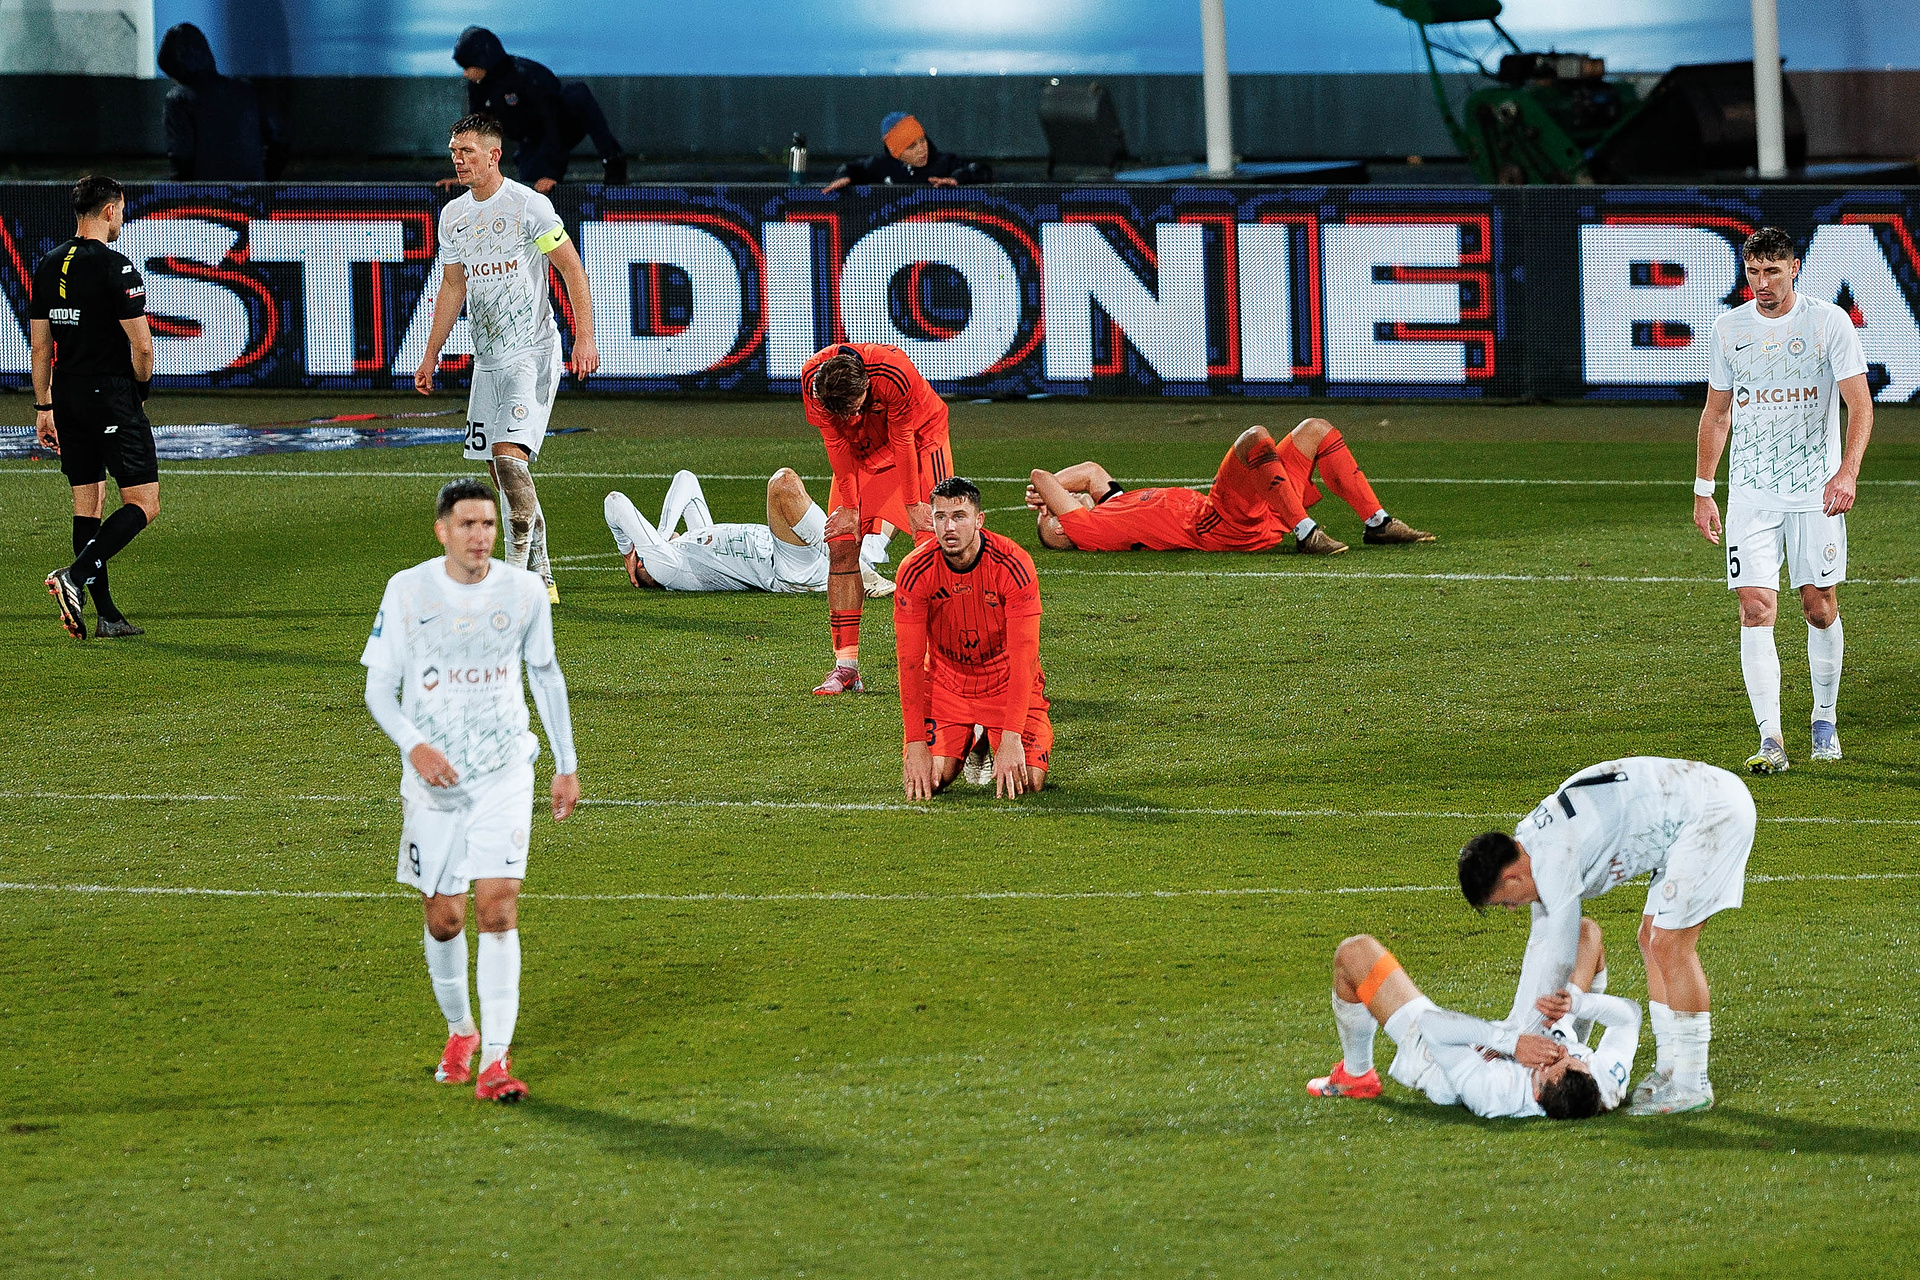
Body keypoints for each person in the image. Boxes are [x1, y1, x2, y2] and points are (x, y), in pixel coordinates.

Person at [362, 478, 580, 1104]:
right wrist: (415, 745)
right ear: (443, 531)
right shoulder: (408, 591)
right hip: (435, 781)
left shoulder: (524, 591)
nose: (481, 536)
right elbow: (378, 689)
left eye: (488, 524)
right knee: (445, 917)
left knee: (498, 908)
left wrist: (566, 763)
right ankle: (461, 1031)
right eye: (468, 525)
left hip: (505, 769)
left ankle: (495, 1062)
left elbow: (545, 674)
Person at [1458, 756, 1756, 1116]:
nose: (1511, 908)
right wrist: (1516, 1030)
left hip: (1710, 816)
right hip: (1688, 811)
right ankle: (1669, 1070)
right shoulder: (1532, 843)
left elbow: (1561, 956)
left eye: (1505, 901)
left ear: (1511, 878)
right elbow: (1541, 942)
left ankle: (1693, 1084)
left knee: (1671, 945)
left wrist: (1522, 1037)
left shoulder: (1554, 859)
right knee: (1651, 939)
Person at [1693, 226, 1873, 774]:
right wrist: (1704, 489)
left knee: (1819, 607)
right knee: (1754, 609)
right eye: (1753, 272)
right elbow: (1717, 413)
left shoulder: (1828, 322)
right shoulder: (1729, 328)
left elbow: (1860, 405)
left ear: (1795, 268)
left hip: (1816, 493)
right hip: (1751, 494)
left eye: (1772, 271)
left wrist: (1847, 473)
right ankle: (1770, 738)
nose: (1762, 283)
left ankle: (1824, 719)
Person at [415, 113, 599, 605]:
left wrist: (584, 338)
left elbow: (571, 268)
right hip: (488, 359)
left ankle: (514, 584)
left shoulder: (528, 206)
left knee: (507, 459)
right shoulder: (453, 216)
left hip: (531, 352)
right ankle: (543, 577)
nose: (458, 159)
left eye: (467, 151)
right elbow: (453, 286)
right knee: (503, 475)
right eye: (454, 152)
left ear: (494, 155)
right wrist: (430, 355)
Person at [1306, 923, 1638, 1120]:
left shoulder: (1494, 1093)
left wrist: (1511, 1044)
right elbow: (1629, 1017)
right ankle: (1571, 1024)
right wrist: (1575, 1003)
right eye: (1572, 1060)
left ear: (1537, 1091)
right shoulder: (1604, 1083)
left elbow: (1435, 1027)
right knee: (1585, 933)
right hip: (1515, 1033)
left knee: (1354, 953)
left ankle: (1357, 1076)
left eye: (1550, 1064)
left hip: (1438, 1053)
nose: (1559, 1052)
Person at [34, 175, 158, 640]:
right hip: (110, 395)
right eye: (121, 209)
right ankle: (74, 574)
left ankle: (107, 615)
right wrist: (140, 391)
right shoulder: (116, 266)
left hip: (66, 395)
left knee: (88, 503)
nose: (122, 217)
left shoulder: (48, 263)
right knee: (144, 503)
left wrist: (44, 406)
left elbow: (41, 347)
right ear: (109, 210)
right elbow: (142, 347)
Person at [1028, 419, 1432, 556]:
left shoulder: (1111, 507)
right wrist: (1042, 494)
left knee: (1316, 430)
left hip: (1252, 510)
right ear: (1062, 527)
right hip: (1219, 522)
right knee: (1252, 438)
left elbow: (1092, 471)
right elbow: (1039, 476)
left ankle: (1377, 523)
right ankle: (1306, 532)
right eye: (1051, 513)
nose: (1057, 503)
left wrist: (1048, 494)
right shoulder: (1090, 531)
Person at [801, 342, 955, 695]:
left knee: (933, 545)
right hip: (861, 448)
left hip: (921, 440)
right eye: (844, 414)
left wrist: (913, 504)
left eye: (855, 408)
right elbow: (835, 442)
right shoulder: (813, 381)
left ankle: (939, 666)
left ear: (867, 385)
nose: (851, 417)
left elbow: (903, 438)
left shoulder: (893, 371)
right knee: (840, 544)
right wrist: (850, 508)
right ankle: (846, 668)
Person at [894, 477, 1050, 800]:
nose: (949, 527)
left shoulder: (1014, 564)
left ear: (979, 520)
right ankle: (974, 738)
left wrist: (1011, 737)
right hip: (947, 687)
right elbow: (909, 663)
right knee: (930, 780)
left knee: (1028, 782)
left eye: (959, 516)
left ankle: (989, 736)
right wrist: (915, 742)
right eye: (940, 517)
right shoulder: (914, 571)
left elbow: (1025, 659)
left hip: (1005, 684)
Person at [604, 468, 896, 594]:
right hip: (791, 567)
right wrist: (629, 551)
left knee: (898, 479)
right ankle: (855, 566)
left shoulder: (694, 541)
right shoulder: (668, 567)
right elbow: (614, 502)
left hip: (802, 550)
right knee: (783, 483)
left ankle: (859, 562)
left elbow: (686, 479)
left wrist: (663, 534)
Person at [451, 27, 627, 190]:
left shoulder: (527, 76)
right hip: (531, 141)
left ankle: (613, 160)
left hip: (560, 127)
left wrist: (552, 173)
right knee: (532, 186)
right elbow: (477, 133)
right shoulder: (478, 86)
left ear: (483, 61)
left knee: (577, 94)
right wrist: (465, 175)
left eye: (467, 67)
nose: (465, 73)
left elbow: (552, 121)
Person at [156, 22, 288, 181]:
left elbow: (182, 156)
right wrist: (263, 182)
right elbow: (278, 142)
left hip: (204, 194)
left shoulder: (178, 100)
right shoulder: (248, 91)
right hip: (252, 192)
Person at [822, 113, 993, 192]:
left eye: (922, 140)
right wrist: (844, 177)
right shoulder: (882, 166)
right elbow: (851, 168)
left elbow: (982, 170)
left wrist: (957, 179)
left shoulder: (945, 162)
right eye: (911, 146)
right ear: (896, 153)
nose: (922, 149)